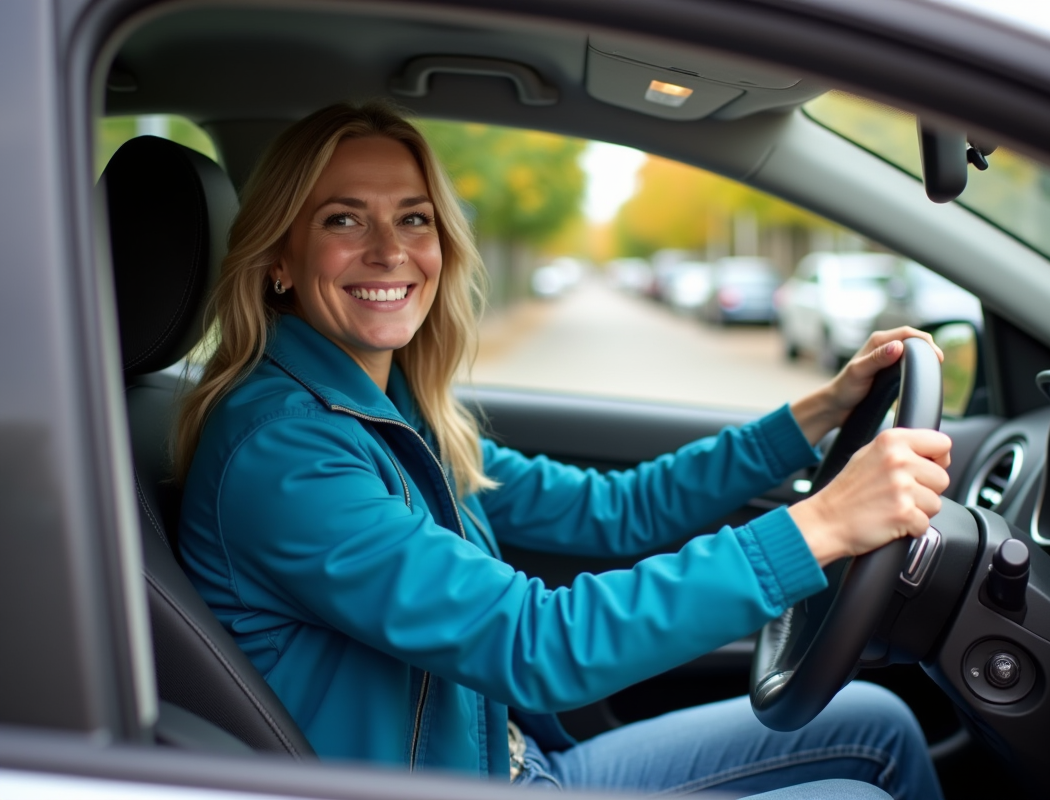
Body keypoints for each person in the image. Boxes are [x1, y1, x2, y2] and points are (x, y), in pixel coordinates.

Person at [176, 101, 951, 800]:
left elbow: (613, 510)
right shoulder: (285, 454)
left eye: (414, 219)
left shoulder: (392, 415)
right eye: (343, 220)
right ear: (278, 258)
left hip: (509, 762)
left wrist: (815, 414)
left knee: (873, 720)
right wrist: (821, 528)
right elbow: (531, 642)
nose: (390, 251)